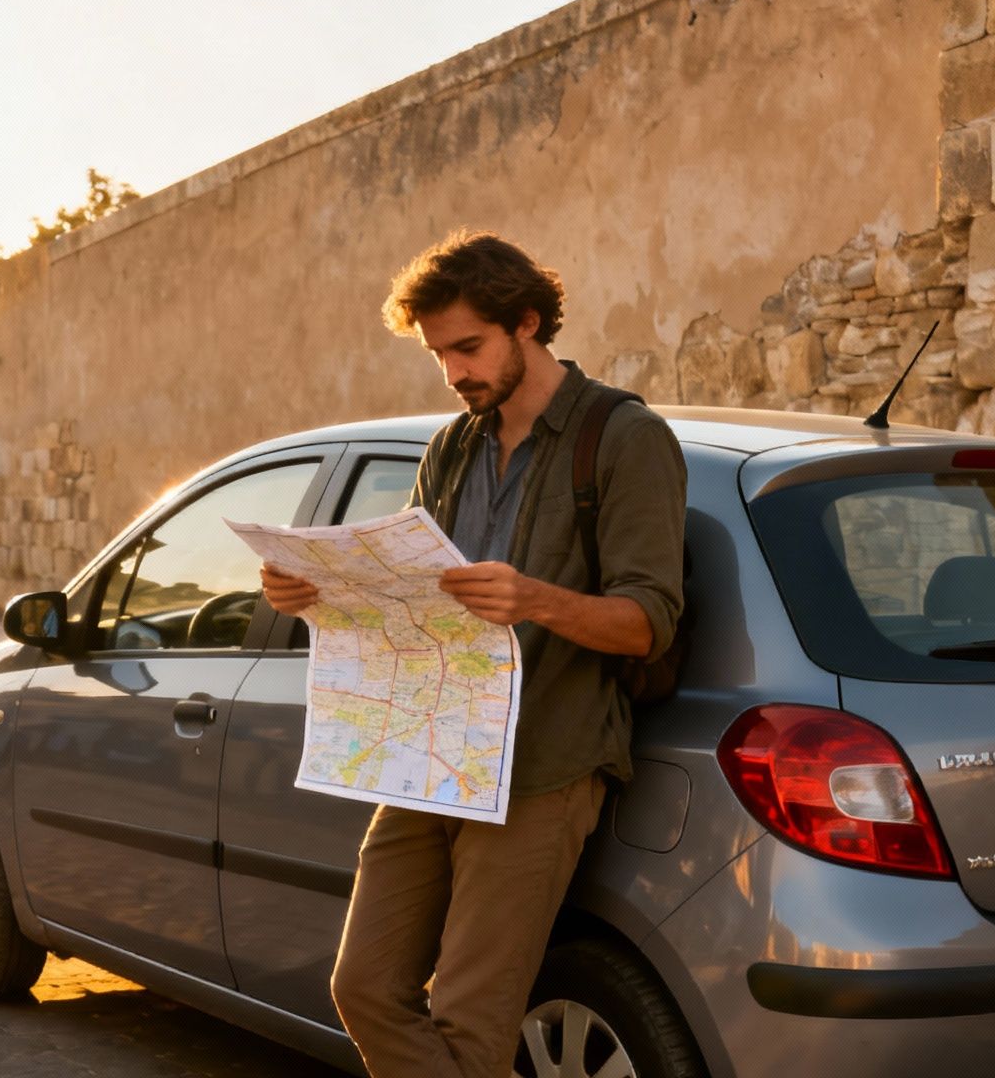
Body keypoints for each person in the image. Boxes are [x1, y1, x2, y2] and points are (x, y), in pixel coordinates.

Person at [258, 229, 686, 1078]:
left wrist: (535, 599)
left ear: (527, 323)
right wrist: (318, 596)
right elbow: (412, 598)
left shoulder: (624, 438)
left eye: (468, 347)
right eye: (438, 354)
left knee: (470, 1019)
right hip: (430, 749)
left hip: (544, 764)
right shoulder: (453, 445)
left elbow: (648, 622)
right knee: (365, 986)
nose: (453, 372)